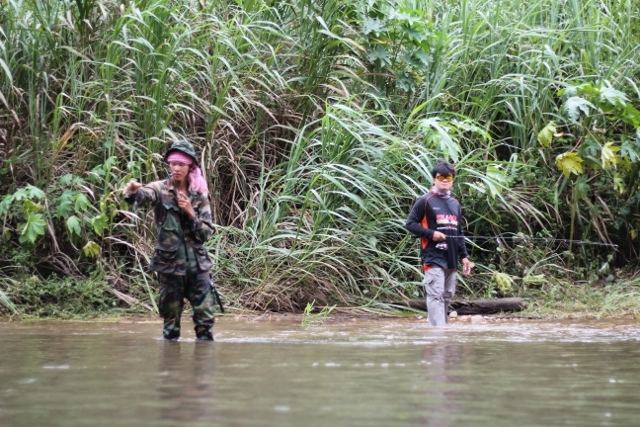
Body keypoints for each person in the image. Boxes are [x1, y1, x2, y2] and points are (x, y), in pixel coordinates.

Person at [123, 139, 217, 341]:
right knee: (170, 327)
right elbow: (143, 195)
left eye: (181, 164)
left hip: (197, 267)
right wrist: (132, 192)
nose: (176, 168)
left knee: (205, 323)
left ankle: (202, 368)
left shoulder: (199, 195)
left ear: (189, 165)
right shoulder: (160, 189)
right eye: (172, 163)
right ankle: (171, 369)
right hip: (170, 266)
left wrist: (191, 213)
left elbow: (206, 234)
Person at [405, 161, 472, 326]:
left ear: (452, 180)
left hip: (451, 258)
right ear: (434, 179)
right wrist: (431, 234)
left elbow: (459, 232)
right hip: (433, 256)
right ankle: (438, 334)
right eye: (440, 177)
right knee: (435, 295)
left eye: (447, 177)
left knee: (447, 295)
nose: (444, 180)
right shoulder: (425, 201)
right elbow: (410, 224)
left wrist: (464, 257)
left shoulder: (455, 203)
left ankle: (440, 330)